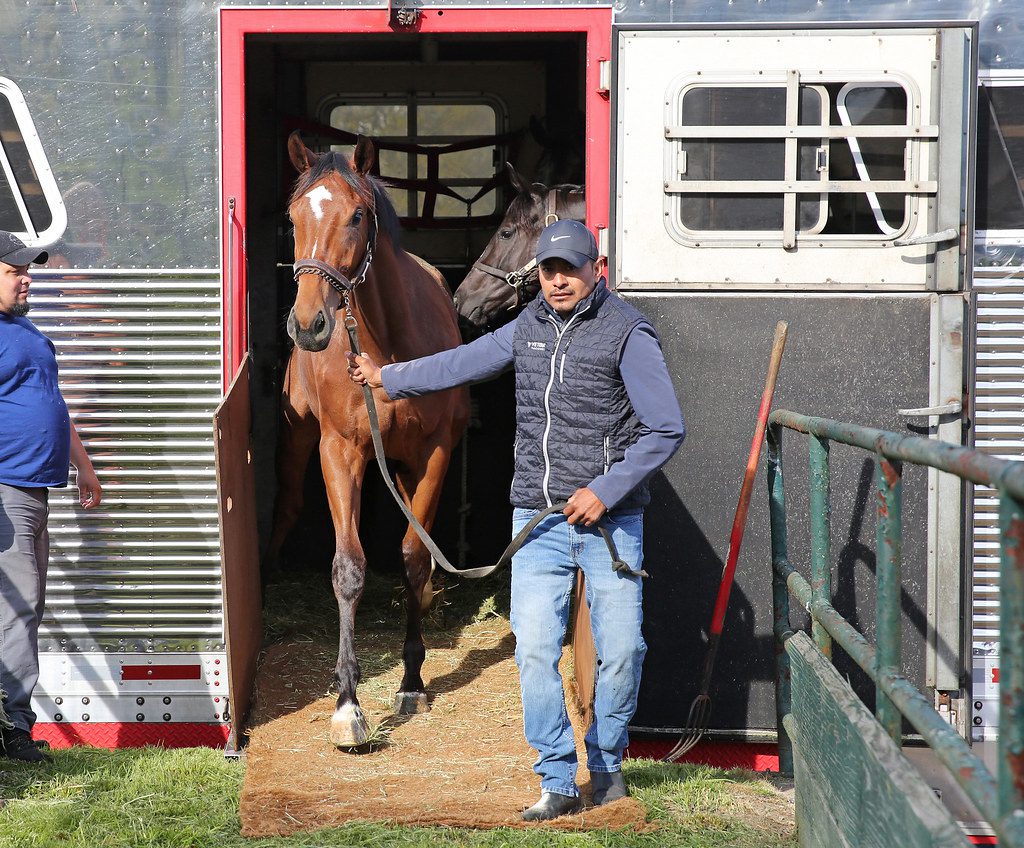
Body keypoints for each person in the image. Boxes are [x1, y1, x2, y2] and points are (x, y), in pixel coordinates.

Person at [346, 219, 685, 821]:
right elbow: (462, 362)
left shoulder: (629, 333)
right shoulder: (526, 327)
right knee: (532, 649)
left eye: (570, 270)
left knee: (624, 650)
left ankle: (606, 765)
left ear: (596, 271)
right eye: (549, 271)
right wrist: (388, 377)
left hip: (611, 525)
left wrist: (605, 491)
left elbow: (665, 429)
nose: (558, 281)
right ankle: (556, 777)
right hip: (537, 519)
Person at [0, 231, 102, 763]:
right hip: (6, 491)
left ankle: (12, 717)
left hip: (37, 491)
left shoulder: (28, 331)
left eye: (27, 270)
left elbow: (52, 404)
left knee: (26, 605)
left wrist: (82, 467)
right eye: (15, 270)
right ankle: (15, 729)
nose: (27, 278)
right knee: (18, 608)